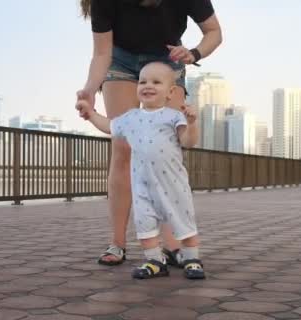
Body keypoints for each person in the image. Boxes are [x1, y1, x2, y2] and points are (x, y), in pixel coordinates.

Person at [76, 0, 222, 267]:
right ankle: (117, 243)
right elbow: (101, 54)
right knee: (123, 148)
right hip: (120, 61)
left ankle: (173, 245)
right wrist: (88, 90)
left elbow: (214, 32)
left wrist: (195, 53)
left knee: (167, 149)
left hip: (167, 63)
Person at [77, 61, 205, 279]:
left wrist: (192, 123)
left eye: (156, 82)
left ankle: (192, 258)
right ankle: (155, 260)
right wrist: (91, 114)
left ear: (170, 92)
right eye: (143, 81)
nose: (148, 85)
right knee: (145, 225)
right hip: (142, 185)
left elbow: (188, 141)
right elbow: (109, 126)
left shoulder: (173, 116)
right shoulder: (131, 118)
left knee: (182, 219)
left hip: (172, 183)